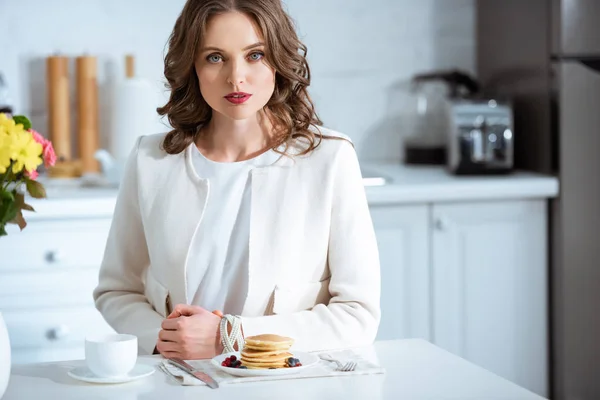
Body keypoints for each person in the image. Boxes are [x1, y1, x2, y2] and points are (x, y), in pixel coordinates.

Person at [93, 0, 380, 361]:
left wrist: (231, 336)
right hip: (178, 380)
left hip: (286, 385)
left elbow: (358, 315)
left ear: (278, 58)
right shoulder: (151, 161)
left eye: (255, 55)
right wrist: (164, 338)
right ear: (192, 67)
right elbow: (117, 290)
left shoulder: (330, 160)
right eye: (215, 57)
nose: (236, 77)